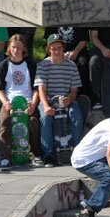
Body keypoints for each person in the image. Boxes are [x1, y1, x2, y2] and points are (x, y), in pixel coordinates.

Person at [34, 34, 85, 167]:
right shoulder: (42, 65)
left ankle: (77, 151)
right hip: (49, 99)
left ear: (63, 49)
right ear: (48, 49)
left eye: (59, 48)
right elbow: (41, 89)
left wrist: (69, 99)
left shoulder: (72, 65)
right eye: (53, 48)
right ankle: (49, 154)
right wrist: (46, 106)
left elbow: (74, 90)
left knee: (76, 115)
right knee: (45, 118)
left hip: (66, 98)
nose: (56, 51)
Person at [0, 34, 41, 170]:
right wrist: (5, 103)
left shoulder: (31, 65)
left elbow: (35, 89)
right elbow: (0, 89)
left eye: (18, 48)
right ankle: (6, 158)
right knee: (4, 123)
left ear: (23, 49)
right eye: (13, 47)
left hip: (27, 101)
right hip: (9, 102)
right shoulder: (3, 66)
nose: (16, 50)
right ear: (9, 48)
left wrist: (33, 104)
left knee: (34, 122)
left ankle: (35, 155)